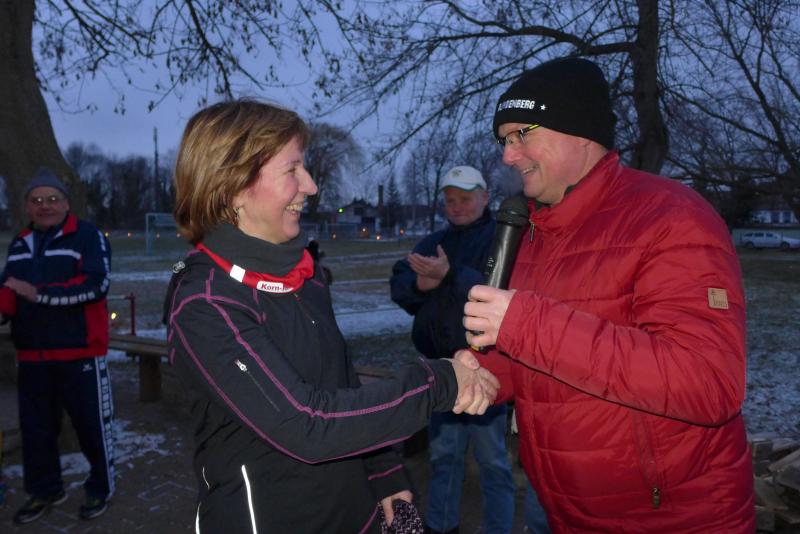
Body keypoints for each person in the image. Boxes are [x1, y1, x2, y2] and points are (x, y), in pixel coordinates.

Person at [163, 99, 499, 533]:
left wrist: (384, 472)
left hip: (354, 514)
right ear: (233, 187)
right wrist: (438, 382)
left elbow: (341, 383)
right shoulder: (205, 304)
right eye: (292, 169)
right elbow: (304, 423)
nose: (310, 185)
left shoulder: (304, 275)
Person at [460, 57, 755, 532]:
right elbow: (545, 356)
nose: (508, 157)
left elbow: (708, 383)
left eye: (521, 134)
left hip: (674, 519)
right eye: (504, 141)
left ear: (581, 133)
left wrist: (525, 322)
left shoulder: (671, 216)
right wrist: (485, 372)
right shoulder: (534, 232)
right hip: (568, 515)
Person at [390, 166, 517, 534]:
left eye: (465, 198)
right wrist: (421, 284)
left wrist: (450, 276)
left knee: (493, 462)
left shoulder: (502, 239)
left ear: (485, 197)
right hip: (441, 370)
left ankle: (498, 529)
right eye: (450, 200)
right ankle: (441, 526)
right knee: (444, 458)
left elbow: (500, 292)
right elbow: (399, 284)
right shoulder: (433, 242)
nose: (456, 206)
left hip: (487, 371)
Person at [0, 168, 114, 524]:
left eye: (52, 199)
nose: (44, 205)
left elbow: (96, 286)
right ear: (26, 207)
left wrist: (40, 294)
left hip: (80, 352)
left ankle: (100, 488)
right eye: (36, 200)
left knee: (91, 428)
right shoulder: (20, 242)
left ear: (66, 203)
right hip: (32, 356)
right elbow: (9, 290)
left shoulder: (87, 236)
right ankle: (45, 490)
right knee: (36, 430)